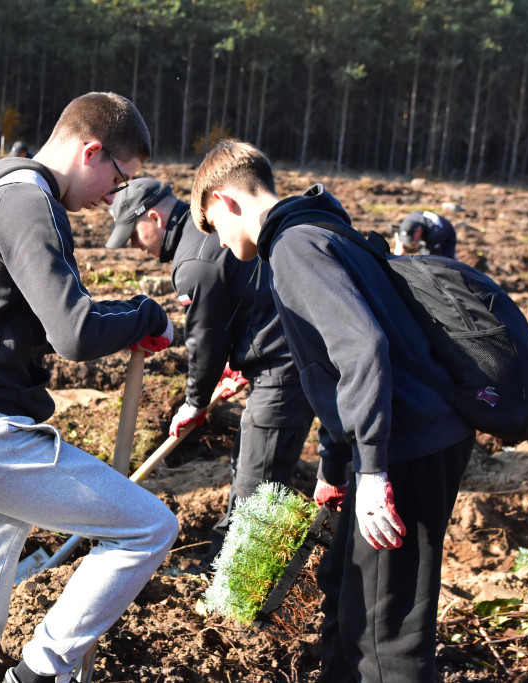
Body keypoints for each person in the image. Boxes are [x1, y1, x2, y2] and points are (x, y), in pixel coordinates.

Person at [0, 92, 179, 683]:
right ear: (91, 150)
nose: (115, 195)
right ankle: (40, 673)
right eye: (118, 176)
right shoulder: (28, 203)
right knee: (149, 527)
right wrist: (146, 315)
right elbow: (75, 332)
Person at [190, 139, 475, 683]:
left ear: (226, 201)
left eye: (212, 225)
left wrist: (371, 470)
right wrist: (334, 468)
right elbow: (331, 372)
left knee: (385, 638)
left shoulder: (294, 247)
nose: (221, 243)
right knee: (346, 596)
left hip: (405, 447)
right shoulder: (321, 227)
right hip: (410, 436)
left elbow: (362, 348)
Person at [107, 178, 313, 570]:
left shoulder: (195, 260)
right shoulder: (204, 235)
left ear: (154, 216)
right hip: (280, 353)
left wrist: (194, 402)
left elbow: (205, 340)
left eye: (133, 235)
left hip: (285, 364)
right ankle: (225, 567)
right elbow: (247, 297)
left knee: (260, 478)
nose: (134, 246)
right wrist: (241, 362)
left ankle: (239, 591)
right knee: (252, 466)